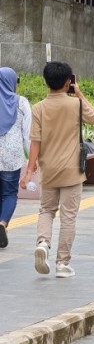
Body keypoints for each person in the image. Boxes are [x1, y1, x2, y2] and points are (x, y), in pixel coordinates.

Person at [21, 62, 94, 277]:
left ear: (45, 82)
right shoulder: (76, 105)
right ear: (68, 82)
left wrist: (29, 171)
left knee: (46, 210)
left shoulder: (38, 108)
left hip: (49, 170)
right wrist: (79, 92)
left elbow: (35, 141)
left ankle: (43, 243)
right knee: (68, 217)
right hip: (72, 170)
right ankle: (62, 264)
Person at [0, 68, 31, 249]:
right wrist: (33, 161)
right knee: (9, 193)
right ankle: (2, 223)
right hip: (12, 157)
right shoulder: (21, 103)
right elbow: (28, 135)